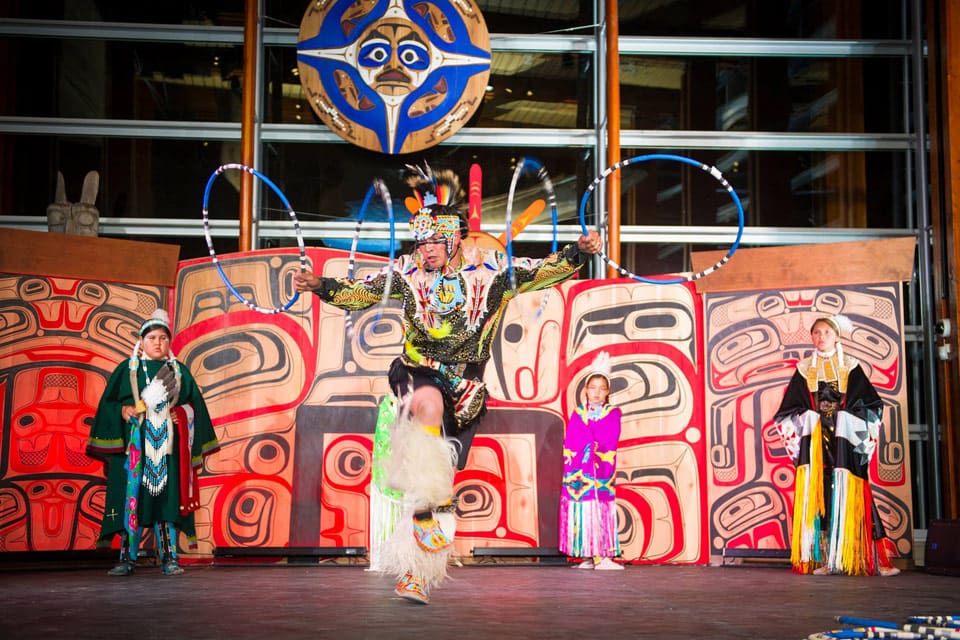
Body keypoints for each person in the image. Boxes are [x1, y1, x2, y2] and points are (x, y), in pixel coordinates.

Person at [294, 163, 603, 604]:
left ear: (455, 237)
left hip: (468, 390)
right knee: (428, 406)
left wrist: (578, 252)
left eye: (434, 240)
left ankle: (416, 575)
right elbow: (359, 292)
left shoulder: (492, 273)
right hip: (418, 372)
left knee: (439, 485)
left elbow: (544, 271)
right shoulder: (406, 273)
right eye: (420, 241)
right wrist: (319, 285)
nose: (426, 249)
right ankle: (421, 511)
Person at [87, 308, 220, 576]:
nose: (157, 343)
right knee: (131, 499)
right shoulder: (127, 370)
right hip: (134, 449)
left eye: (162, 338)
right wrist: (123, 411)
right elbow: (107, 405)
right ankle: (126, 558)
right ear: (141, 342)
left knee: (166, 503)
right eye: (152, 338)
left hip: (167, 449)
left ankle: (170, 558)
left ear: (168, 342)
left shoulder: (179, 372)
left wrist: (181, 414)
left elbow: (196, 407)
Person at [773, 314, 899, 577]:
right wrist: (806, 417)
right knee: (822, 499)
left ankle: (872, 561)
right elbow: (788, 410)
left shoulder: (851, 367)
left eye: (826, 333)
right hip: (817, 443)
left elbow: (872, 406)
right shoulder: (804, 369)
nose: (821, 337)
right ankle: (825, 560)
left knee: (855, 494)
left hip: (845, 441)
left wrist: (847, 419)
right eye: (816, 333)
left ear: (837, 336)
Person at [559, 351, 623, 570]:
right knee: (583, 510)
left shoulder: (613, 413)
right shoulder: (577, 413)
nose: (596, 393)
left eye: (601, 389)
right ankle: (587, 554)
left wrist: (591, 441)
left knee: (600, 507)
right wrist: (588, 441)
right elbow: (573, 439)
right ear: (586, 390)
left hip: (602, 471)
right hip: (580, 473)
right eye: (592, 388)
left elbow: (608, 437)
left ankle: (603, 555)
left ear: (607, 392)